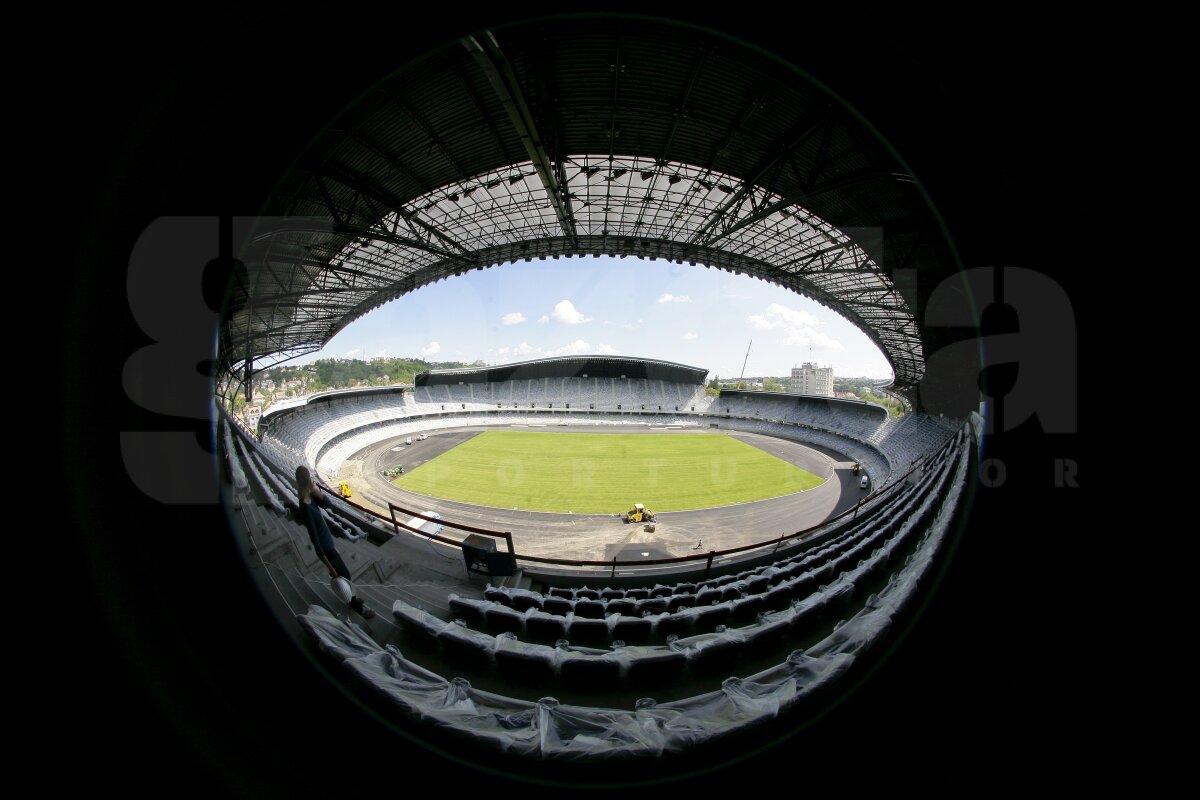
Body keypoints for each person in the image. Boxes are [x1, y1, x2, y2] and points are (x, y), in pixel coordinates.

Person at [294, 465, 374, 619]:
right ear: (307, 479)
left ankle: (353, 599)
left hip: (329, 545)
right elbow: (315, 539)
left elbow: (328, 505)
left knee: (345, 575)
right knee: (345, 576)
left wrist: (315, 490)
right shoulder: (305, 506)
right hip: (326, 549)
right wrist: (329, 567)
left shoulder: (310, 497)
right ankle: (358, 608)